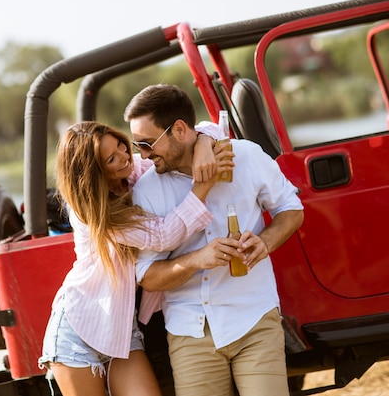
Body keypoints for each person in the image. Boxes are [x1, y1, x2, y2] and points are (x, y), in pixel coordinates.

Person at [124, 83, 304, 396]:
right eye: (138, 144)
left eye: (148, 143)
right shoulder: (146, 191)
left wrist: (266, 242)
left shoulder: (245, 156)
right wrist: (196, 259)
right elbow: (148, 277)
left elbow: (291, 208)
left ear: (179, 129)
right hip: (188, 330)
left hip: (254, 317)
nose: (143, 154)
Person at [38, 120, 233, 396]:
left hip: (121, 331)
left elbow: (205, 126)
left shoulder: (131, 174)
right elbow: (163, 235)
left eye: (120, 145)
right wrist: (204, 185)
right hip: (77, 332)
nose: (125, 157)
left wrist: (201, 142)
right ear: (93, 172)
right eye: (111, 158)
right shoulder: (90, 215)